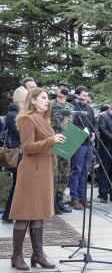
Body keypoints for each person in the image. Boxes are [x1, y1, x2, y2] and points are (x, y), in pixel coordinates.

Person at [9, 88, 66, 270]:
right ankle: (16, 256)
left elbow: (48, 144)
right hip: (31, 170)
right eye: (43, 98)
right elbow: (27, 147)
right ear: (33, 100)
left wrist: (62, 143)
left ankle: (37, 255)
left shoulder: (43, 119)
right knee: (25, 214)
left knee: (38, 212)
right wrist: (52, 141)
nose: (47, 101)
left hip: (44, 169)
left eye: (47, 98)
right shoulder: (27, 118)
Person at [1, 86, 27, 224]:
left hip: (22, 154)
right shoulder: (13, 115)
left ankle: (10, 214)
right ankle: (8, 215)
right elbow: (21, 133)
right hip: (18, 155)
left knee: (18, 185)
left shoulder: (19, 113)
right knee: (17, 185)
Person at [69, 86, 96, 210]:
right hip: (78, 143)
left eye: (87, 95)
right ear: (77, 95)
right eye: (83, 95)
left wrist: (94, 134)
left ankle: (82, 197)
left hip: (89, 144)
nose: (86, 98)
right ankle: (74, 198)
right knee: (77, 171)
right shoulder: (72, 107)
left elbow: (94, 124)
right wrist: (83, 132)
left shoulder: (90, 109)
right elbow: (71, 124)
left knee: (85, 172)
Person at [50, 81, 74, 215]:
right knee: (54, 172)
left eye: (64, 88)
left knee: (65, 173)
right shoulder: (51, 104)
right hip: (53, 143)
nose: (61, 90)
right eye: (59, 88)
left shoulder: (70, 106)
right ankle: (52, 202)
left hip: (66, 144)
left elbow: (71, 125)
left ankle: (59, 200)